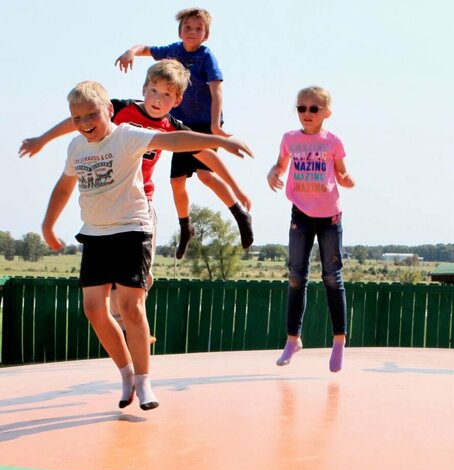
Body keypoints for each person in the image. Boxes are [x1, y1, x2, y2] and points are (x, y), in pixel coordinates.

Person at [41, 80, 252, 410]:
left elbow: (173, 140)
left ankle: (144, 382)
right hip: (95, 234)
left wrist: (218, 142)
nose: (84, 123)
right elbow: (65, 187)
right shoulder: (76, 147)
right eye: (77, 117)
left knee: (130, 307)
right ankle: (126, 374)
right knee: (94, 310)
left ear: (109, 110)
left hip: (131, 230)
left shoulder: (126, 135)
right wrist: (48, 224)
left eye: (91, 115)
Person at [19, 59, 250, 259]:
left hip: (140, 199)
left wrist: (236, 189)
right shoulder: (120, 110)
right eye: (154, 91)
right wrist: (42, 139)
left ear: (177, 101)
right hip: (110, 195)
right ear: (144, 89)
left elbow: (206, 155)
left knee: (134, 279)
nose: (158, 99)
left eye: (166, 95)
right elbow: (78, 120)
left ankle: (142, 274)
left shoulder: (171, 127)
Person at [114, 7, 253, 252]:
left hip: (203, 123)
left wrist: (214, 125)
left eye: (198, 29)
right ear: (180, 31)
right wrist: (130, 52)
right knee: (177, 181)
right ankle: (186, 226)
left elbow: (216, 90)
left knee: (205, 174)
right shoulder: (172, 51)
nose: (192, 32)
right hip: (178, 125)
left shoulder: (206, 56)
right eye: (188, 28)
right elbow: (145, 48)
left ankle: (239, 213)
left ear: (205, 35)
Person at [266, 86, 355, 373]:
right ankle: (293, 339)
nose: (306, 113)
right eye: (301, 108)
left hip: (329, 216)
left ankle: (339, 342)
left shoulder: (333, 142)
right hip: (300, 213)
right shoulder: (290, 139)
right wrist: (273, 173)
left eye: (313, 109)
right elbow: (280, 165)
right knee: (296, 276)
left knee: (332, 277)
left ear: (325, 113)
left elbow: (341, 172)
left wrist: (347, 179)